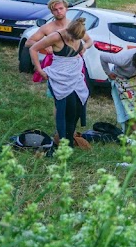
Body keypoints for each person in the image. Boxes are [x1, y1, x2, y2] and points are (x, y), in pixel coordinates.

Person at [30, 17, 92, 153]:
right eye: (71, 37)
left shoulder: (78, 32)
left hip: (75, 75)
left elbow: (89, 42)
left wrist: (84, 48)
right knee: (66, 110)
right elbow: (33, 48)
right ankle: (63, 142)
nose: (72, 40)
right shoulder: (56, 36)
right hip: (60, 77)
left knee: (77, 108)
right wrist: (39, 69)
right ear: (68, 31)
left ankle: (69, 139)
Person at [101, 48, 136, 130]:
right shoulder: (122, 59)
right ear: (134, 64)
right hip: (122, 77)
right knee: (129, 105)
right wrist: (108, 73)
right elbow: (102, 56)